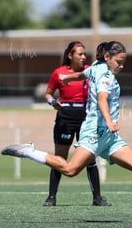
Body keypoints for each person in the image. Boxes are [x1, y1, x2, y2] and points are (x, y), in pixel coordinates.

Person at [2, 41, 132, 222]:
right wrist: (110, 121)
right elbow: (102, 99)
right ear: (108, 57)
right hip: (94, 133)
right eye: (119, 61)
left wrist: (67, 79)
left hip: (110, 138)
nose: (122, 65)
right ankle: (29, 151)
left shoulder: (96, 67)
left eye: (123, 61)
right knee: (70, 170)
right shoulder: (105, 76)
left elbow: (82, 74)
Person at [43, 41, 110, 207]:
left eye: (84, 54)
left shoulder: (90, 71)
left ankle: (97, 198)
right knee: (59, 158)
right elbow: (48, 94)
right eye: (79, 54)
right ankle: (51, 197)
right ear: (70, 56)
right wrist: (52, 102)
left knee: (90, 158)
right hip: (65, 118)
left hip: (86, 119)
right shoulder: (59, 73)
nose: (83, 57)